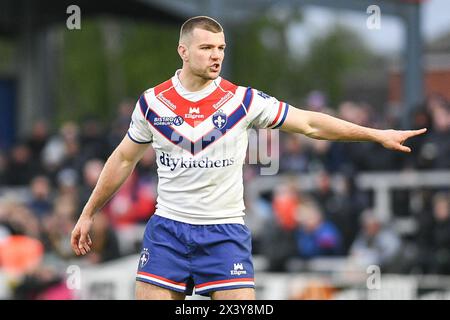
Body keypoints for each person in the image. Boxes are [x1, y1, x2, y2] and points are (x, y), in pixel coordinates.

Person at [70, 16, 427, 300]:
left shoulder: (243, 101)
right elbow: (122, 160)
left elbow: (310, 123)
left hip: (224, 233)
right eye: (207, 47)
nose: (216, 55)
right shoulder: (152, 103)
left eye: (221, 48)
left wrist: (375, 133)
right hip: (168, 231)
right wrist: (88, 213)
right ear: (183, 50)